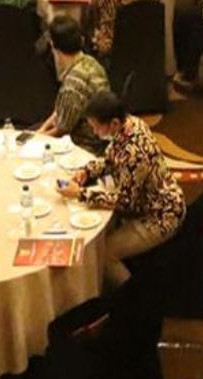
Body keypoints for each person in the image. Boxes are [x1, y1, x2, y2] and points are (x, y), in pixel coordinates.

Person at [64, 92, 185, 287]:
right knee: (102, 229)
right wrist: (87, 171)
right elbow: (112, 159)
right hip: (154, 199)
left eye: (96, 127)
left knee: (105, 253)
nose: (94, 132)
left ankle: (132, 296)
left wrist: (81, 194)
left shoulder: (134, 152)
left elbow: (126, 202)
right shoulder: (130, 124)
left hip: (160, 215)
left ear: (113, 123)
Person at [39, 12, 111, 149]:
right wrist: (40, 131)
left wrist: (37, 139)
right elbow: (60, 112)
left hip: (87, 144)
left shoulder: (72, 84)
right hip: (101, 136)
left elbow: (62, 129)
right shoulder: (91, 62)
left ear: (53, 45)